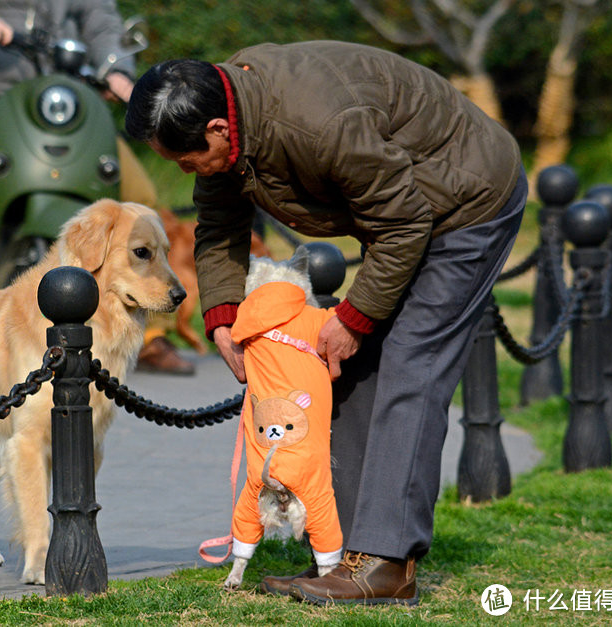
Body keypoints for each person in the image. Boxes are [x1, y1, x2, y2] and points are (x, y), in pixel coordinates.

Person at [126, 41, 526, 605]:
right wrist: (222, 318)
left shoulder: (318, 121)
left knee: (411, 366)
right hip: (405, 213)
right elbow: (218, 222)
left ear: (218, 128)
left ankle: (388, 564)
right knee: (351, 366)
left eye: (185, 159)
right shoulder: (229, 109)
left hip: (469, 200)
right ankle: (343, 552)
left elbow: (405, 221)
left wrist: (355, 316)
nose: (185, 171)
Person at [0, 0, 192, 374]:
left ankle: (152, 331)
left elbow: (101, 19)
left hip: (67, 94)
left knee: (143, 199)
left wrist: (119, 75)